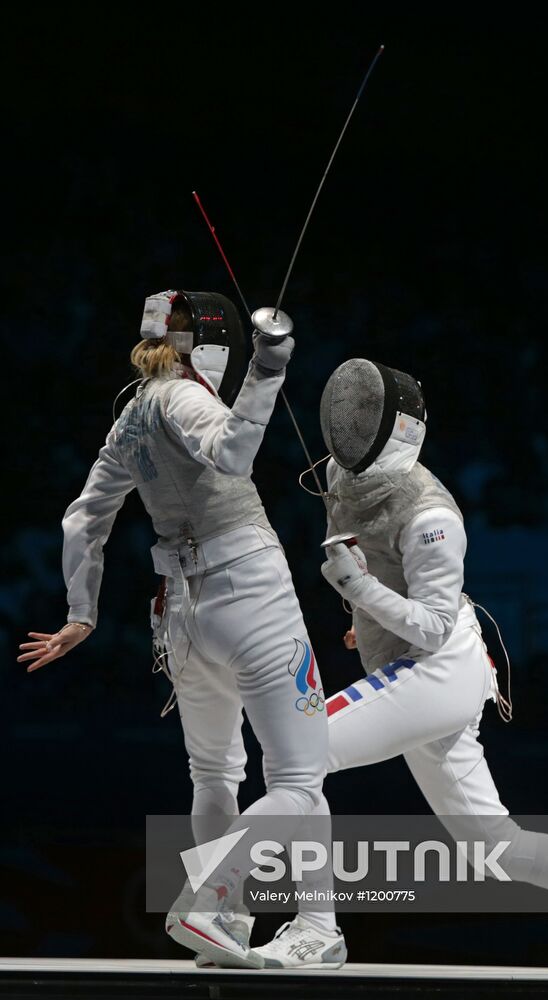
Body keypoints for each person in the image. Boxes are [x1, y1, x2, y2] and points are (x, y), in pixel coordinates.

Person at [250, 358, 548, 976]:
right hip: (421, 673)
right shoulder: (341, 472)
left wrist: (359, 592)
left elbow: (436, 626)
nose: (347, 426)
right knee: (499, 848)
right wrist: (366, 611)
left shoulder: (432, 514)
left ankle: (314, 927)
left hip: (439, 669)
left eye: (362, 418)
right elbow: (378, 563)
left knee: (300, 750)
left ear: (396, 430)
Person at [17, 290, 345, 970]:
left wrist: (84, 613)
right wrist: (270, 367)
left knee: (214, 774)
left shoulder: (130, 417)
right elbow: (231, 455)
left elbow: (83, 519)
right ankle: (212, 900)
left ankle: (227, 925)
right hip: (248, 593)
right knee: (297, 777)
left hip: (183, 616)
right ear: (214, 345)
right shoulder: (187, 398)